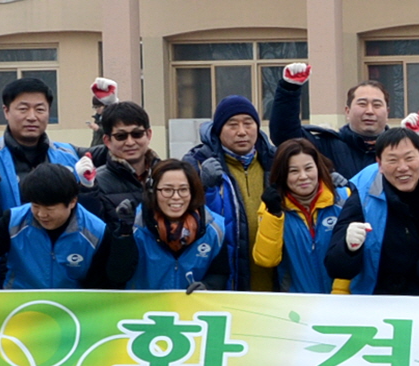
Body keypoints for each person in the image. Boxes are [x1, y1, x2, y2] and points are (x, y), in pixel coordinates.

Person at [0, 162, 132, 290]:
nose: (42, 214)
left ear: (72, 202)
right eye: (35, 206)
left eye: (49, 208)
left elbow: (102, 286)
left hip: (71, 315)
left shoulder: (96, 231)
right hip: (20, 310)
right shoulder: (13, 221)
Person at [326, 128, 419, 296]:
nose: (402, 168)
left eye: (409, 158)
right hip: (380, 301)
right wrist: (349, 248)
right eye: (392, 160)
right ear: (379, 164)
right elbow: (336, 267)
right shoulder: (364, 195)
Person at [185, 94, 274, 292]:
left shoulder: (275, 161)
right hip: (224, 285)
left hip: (275, 286)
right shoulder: (197, 163)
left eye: (248, 123)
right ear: (218, 130)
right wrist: (204, 185)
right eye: (232, 125)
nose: (242, 132)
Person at [253, 137, 346, 295]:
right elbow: (266, 260)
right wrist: (274, 215)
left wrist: (340, 297)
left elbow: (354, 256)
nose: (303, 176)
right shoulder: (272, 208)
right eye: (293, 171)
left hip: (342, 302)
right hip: (296, 305)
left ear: (318, 168)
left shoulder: (343, 200)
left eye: (308, 168)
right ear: (282, 174)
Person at [270, 66, 392, 179]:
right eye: (362, 104)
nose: (369, 111)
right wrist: (289, 89)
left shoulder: (398, 149)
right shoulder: (325, 147)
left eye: (376, 105)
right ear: (347, 111)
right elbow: (285, 136)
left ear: (387, 112)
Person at [128, 159, 231, 292]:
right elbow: (118, 275)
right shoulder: (134, 227)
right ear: (153, 191)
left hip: (190, 310)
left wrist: (208, 286)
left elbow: (219, 273)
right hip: (143, 310)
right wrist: (123, 235)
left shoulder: (215, 229)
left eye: (183, 190)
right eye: (167, 190)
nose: (176, 197)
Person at [0, 76, 82, 200]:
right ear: (6, 111)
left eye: (40, 109)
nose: (32, 117)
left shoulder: (69, 156)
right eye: (23, 109)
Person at [79, 101, 158, 225]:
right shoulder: (96, 185)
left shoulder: (167, 175)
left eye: (137, 134)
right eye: (121, 136)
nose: (130, 142)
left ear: (148, 135)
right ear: (107, 140)